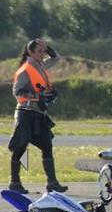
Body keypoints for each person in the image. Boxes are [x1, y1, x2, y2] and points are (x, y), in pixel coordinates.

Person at [8, 39, 68, 194]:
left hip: (39, 114)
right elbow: (17, 92)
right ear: (31, 52)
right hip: (25, 113)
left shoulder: (40, 65)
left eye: (44, 51)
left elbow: (56, 59)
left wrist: (48, 48)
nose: (43, 54)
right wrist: (38, 95)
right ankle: (14, 182)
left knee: (47, 145)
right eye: (40, 51)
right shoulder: (24, 70)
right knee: (21, 147)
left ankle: (52, 183)